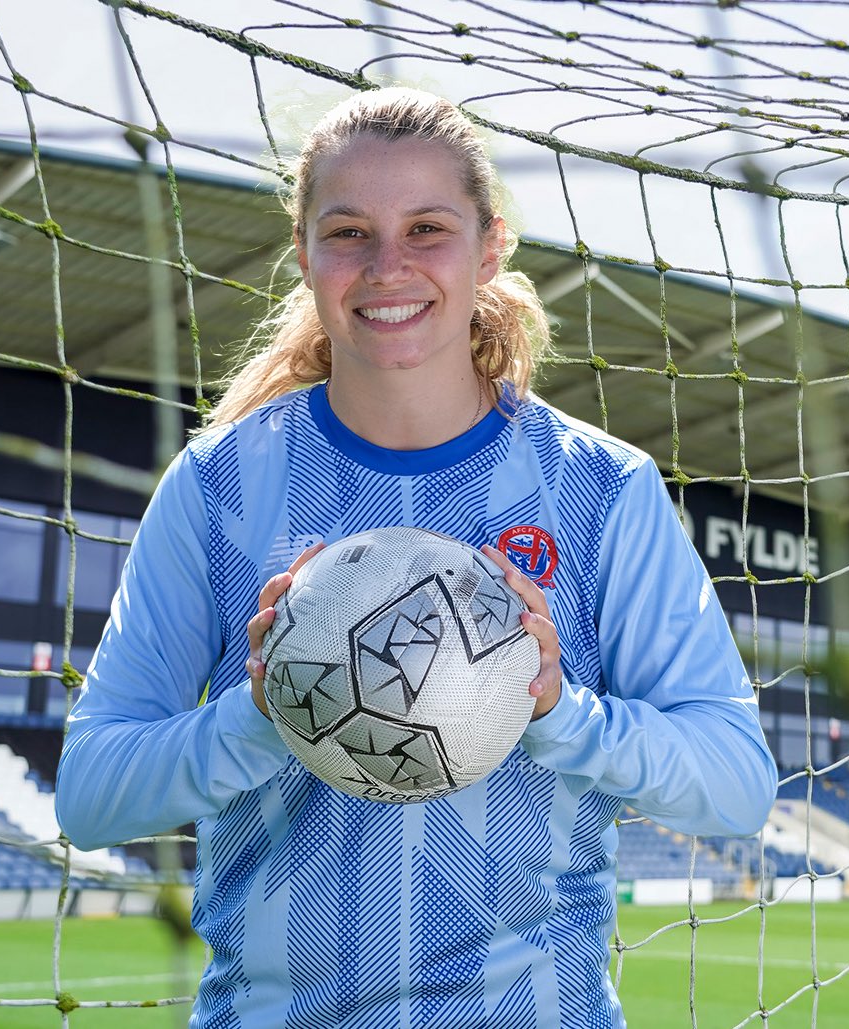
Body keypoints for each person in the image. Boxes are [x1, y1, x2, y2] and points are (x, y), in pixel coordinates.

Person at [55, 86, 777, 1028]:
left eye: (427, 228)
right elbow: (89, 794)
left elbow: (736, 784)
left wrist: (559, 708)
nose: (387, 266)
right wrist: (268, 712)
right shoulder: (218, 485)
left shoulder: (603, 490)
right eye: (349, 231)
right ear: (307, 254)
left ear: (490, 247)